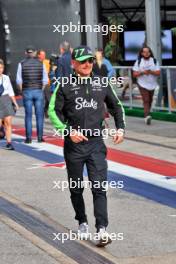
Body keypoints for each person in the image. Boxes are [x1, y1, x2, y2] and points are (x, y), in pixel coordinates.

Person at [48, 45, 125, 246]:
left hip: (96, 143)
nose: (87, 64)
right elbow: (53, 111)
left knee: (99, 187)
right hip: (73, 145)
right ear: (73, 63)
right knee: (76, 187)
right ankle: (82, 221)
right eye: (83, 61)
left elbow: (117, 107)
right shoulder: (64, 84)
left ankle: (102, 230)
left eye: (90, 60)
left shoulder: (102, 82)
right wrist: (68, 132)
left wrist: (120, 128)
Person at [16, 46, 48, 143]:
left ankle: (28, 138)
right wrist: (40, 89)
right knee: (39, 115)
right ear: (34, 53)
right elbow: (45, 80)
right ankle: (39, 137)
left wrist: (22, 91)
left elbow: (19, 80)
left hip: (27, 91)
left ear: (26, 53)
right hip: (38, 91)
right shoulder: (41, 63)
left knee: (28, 116)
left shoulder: (21, 63)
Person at [133, 46, 160, 125]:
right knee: (146, 99)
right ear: (141, 53)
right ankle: (147, 116)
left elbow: (158, 72)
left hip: (152, 84)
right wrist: (142, 72)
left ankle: (147, 113)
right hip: (142, 84)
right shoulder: (138, 61)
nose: (146, 53)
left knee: (150, 100)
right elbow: (134, 74)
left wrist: (151, 72)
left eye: (148, 52)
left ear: (150, 53)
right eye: (144, 52)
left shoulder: (154, 61)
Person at [0, 59, 19, 150]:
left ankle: (9, 143)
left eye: (1, 68)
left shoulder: (6, 78)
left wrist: (15, 103)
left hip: (6, 100)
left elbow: (11, 92)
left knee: (8, 123)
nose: (0, 70)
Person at [37, 49, 50, 118]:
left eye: (44, 55)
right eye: (42, 55)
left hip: (47, 84)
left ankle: (45, 109)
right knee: (40, 99)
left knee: (49, 99)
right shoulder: (36, 63)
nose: (44, 56)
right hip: (39, 84)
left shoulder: (47, 62)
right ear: (38, 55)